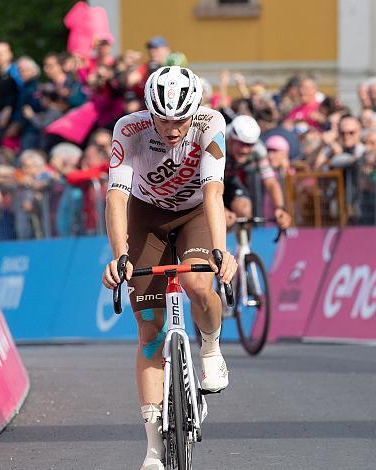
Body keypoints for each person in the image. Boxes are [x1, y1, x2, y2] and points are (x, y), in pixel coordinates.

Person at [100, 65, 237, 470]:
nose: (173, 128)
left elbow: (214, 193)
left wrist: (220, 251)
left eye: (181, 119)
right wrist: (119, 255)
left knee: (198, 282)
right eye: (164, 118)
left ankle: (210, 345)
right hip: (146, 215)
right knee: (149, 330)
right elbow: (116, 199)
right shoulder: (129, 130)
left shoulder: (211, 123)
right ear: (149, 112)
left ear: (194, 111)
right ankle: (154, 447)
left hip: (194, 213)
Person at [223, 114, 292, 229]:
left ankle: (244, 246)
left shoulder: (259, 149)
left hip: (229, 180)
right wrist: (220, 209)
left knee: (244, 209)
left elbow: (270, 182)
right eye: (241, 143)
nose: (245, 150)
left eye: (249, 145)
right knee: (215, 216)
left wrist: (280, 208)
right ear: (231, 139)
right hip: (203, 184)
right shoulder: (217, 143)